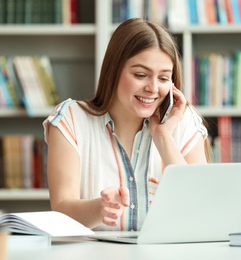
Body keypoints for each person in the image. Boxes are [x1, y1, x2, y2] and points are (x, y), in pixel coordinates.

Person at [43, 18, 212, 231]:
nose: (153, 88)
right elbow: (61, 210)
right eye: (140, 75)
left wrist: (163, 137)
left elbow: (203, 209)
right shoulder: (71, 119)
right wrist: (101, 208)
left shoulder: (182, 122)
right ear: (114, 71)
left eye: (163, 78)